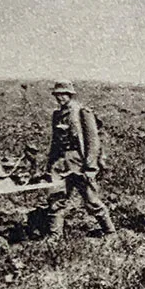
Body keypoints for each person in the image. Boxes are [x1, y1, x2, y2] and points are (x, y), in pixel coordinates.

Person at [44, 80, 116, 237]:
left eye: (63, 94)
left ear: (70, 94)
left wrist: (91, 167)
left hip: (79, 162)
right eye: (57, 94)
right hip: (60, 163)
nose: (60, 97)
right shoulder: (57, 115)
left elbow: (93, 141)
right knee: (56, 198)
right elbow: (54, 143)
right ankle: (54, 236)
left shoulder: (82, 112)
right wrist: (49, 166)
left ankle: (110, 232)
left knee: (91, 199)